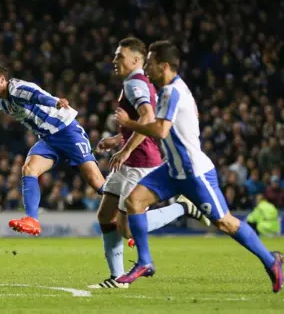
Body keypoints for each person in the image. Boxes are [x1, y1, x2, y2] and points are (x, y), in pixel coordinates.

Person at [113, 40, 282, 293]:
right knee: (134, 202)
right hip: (172, 170)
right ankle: (145, 262)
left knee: (225, 223)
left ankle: (272, 262)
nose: (147, 67)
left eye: (151, 62)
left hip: (194, 173)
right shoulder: (171, 89)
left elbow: (160, 129)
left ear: (165, 66)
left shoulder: (171, 92)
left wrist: (130, 123)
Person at [89, 38, 210, 289]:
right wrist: (117, 140)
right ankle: (117, 278)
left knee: (127, 229)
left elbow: (148, 116)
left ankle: (183, 207)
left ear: (136, 60)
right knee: (105, 215)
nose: (114, 61)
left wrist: (124, 148)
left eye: (119, 57)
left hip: (141, 162)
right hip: (129, 158)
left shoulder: (135, 83)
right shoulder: (133, 83)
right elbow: (140, 122)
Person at [0, 63, 105, 235]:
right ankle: (32, 220)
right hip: (48, 140)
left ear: (2, 79)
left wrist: (55, 102)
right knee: (29, 169)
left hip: (67, 132)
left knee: (95, 181)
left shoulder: (18, 89)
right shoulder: (2, 101)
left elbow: (38, 96)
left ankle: (131, 213)